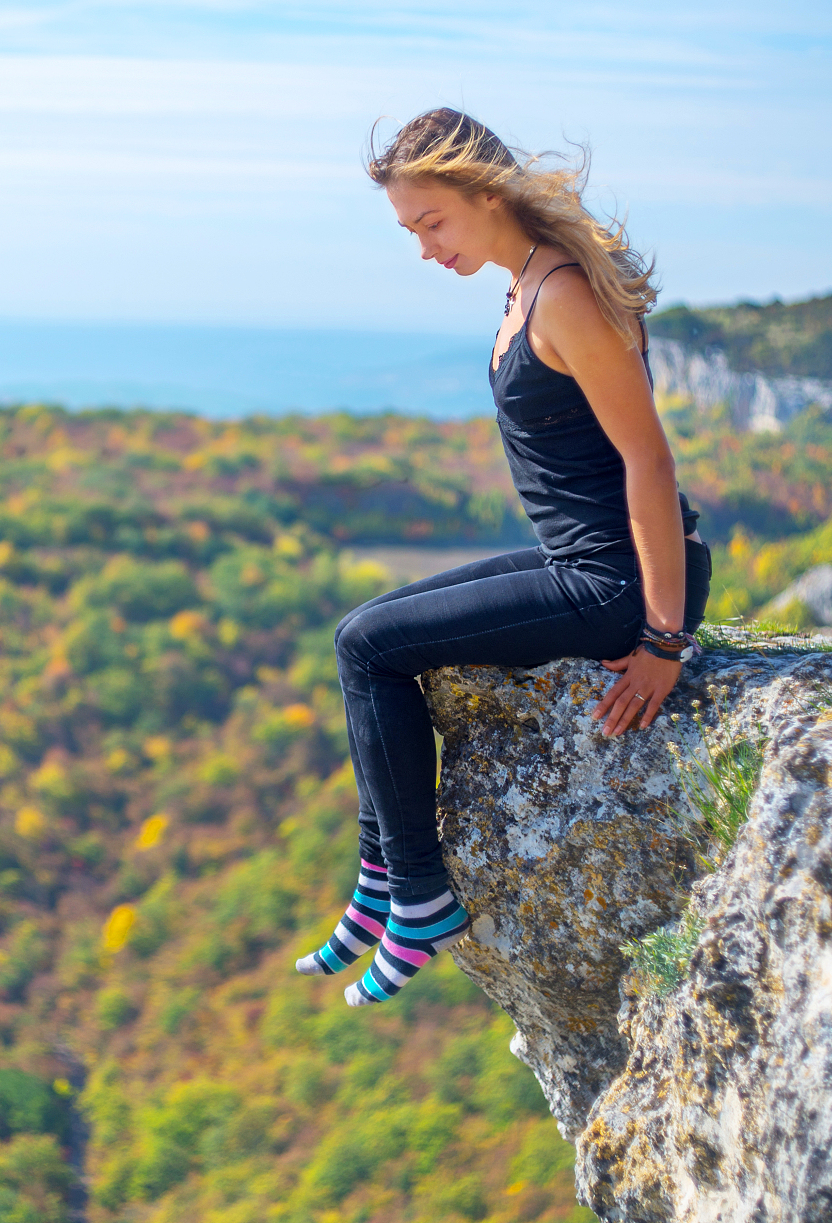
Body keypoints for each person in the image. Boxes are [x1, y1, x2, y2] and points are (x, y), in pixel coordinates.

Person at [296, 108, 712, 1007]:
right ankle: (385, 879)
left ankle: (418, 891)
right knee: (362, 633)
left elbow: (650, 461)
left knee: (368, 647)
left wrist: (664, 641)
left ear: (486, 194)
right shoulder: (523, 282)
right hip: (580, 560)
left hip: (614, 583)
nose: (423, 249)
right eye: (410, 231)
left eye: (431, 222)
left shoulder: (561, 294)